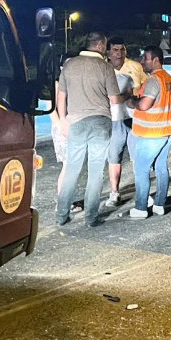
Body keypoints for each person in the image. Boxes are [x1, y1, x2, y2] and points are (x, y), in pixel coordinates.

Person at [55, 32, 122, 226]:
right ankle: (91, 217)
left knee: (72, 170)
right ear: (101, 46)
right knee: (95, 171)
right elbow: (114, 99)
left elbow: (61, 97)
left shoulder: (69, 65)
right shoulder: (105, 67)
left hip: (75, 122)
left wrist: (63, 121)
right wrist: (126, 95)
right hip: (100, 122)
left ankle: (61, 216)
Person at [125, 45, 171, 219]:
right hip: (167, 131)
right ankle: (159, 204)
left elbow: (145, 105)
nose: (142, 62)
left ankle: (141, 208)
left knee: (141, 170)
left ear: (155, 60)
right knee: (161, 168)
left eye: (145, 58)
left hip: (152, 134)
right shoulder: (168, 79)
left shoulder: (153, 80)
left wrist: (132, 102)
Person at [102, 40, 147, 208]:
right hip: (112, 120)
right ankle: (114, 193)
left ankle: (142, 191)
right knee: (114, 157)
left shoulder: (135, 67)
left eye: (122, 49)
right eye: (114, 49)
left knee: (137, 156)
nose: (118, 53)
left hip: (134, 118)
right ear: (108, 53)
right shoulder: (103, 69)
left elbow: (145, 86)